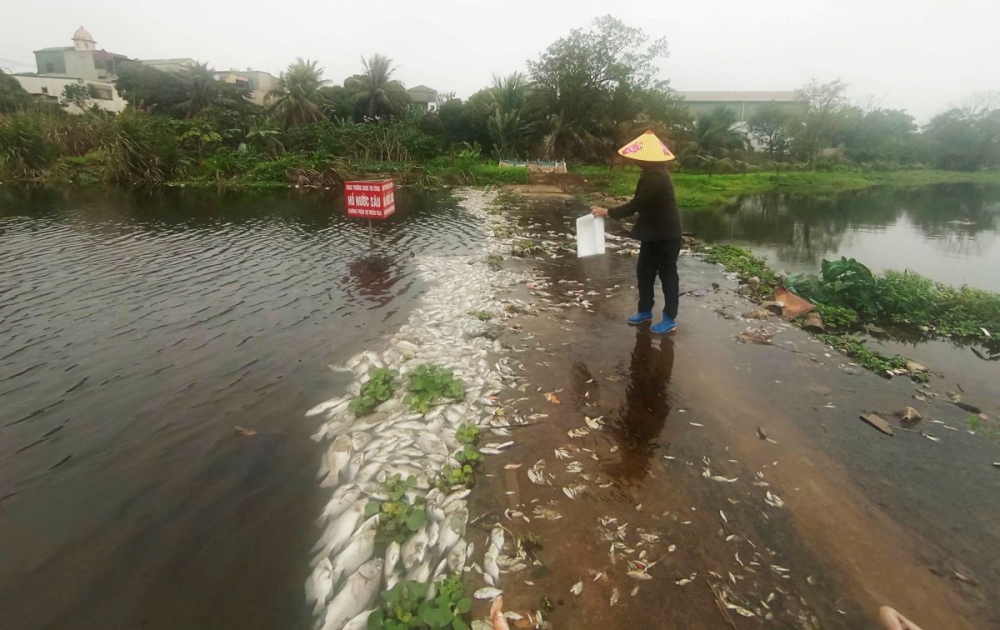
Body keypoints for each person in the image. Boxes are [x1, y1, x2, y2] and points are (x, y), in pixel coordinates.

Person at [591, 130, 682, 334]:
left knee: (668, 277)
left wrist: (607, 212)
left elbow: (636, 205)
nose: (633, 160)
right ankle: (645, 311)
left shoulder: (656, 177)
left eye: (636, 156)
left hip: (666, 236)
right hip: (652, 234)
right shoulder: (650, 172)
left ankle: (669, 319)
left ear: (646, 157)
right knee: (644, 273)